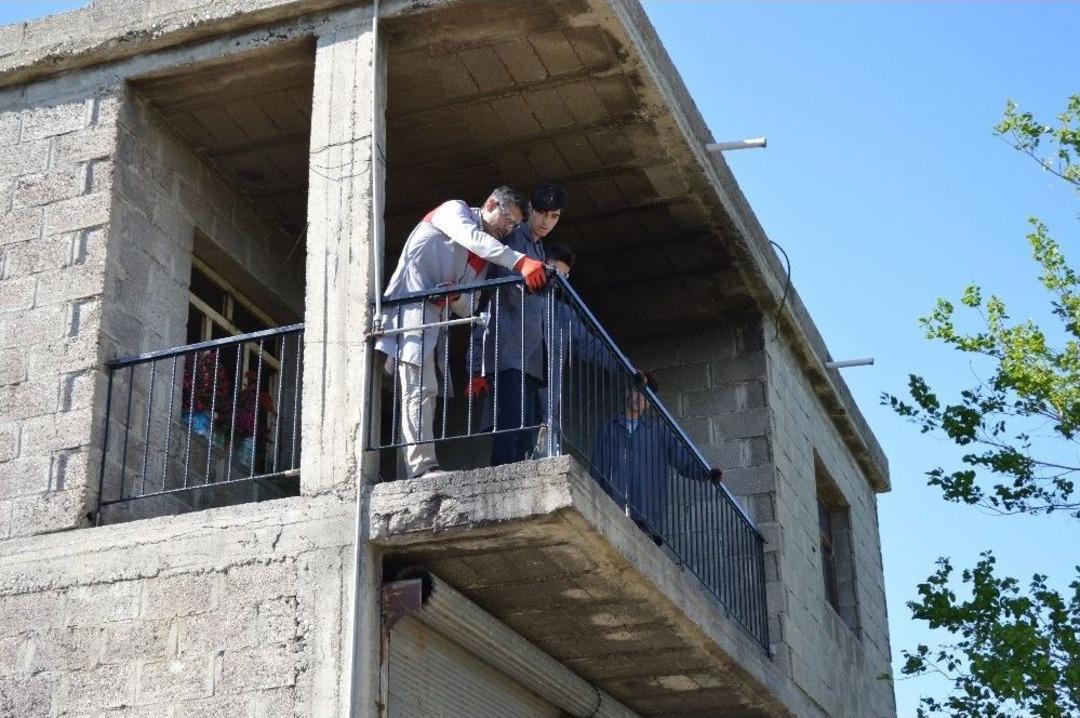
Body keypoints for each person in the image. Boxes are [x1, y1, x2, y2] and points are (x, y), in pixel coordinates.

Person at [375, 187, 547, 480]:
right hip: (409, 310)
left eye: (515, 226)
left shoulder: (484, 255)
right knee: (420, 389)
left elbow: (471, 306)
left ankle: (414, 471)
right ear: (491, 203)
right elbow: (473, 239)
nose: (508, 229)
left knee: (424, 390)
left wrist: (454, 299)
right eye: (507, 219)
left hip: (432, 319)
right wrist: (520, 261)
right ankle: (420, 468)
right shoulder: (456, 211)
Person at [467, 183, 568, 466]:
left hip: (532, 351)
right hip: (509, 348)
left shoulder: (538, 247)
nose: (547, 222)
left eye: (554, 217)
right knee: (509, 427)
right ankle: (500, 479)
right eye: (543, 214)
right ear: (532, 211)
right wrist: (475, 364)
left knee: (526, 431)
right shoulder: (513, 239)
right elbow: (500, 285)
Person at [590, 372, 723, 542]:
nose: (640, 398)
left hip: (646, 516)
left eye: (646, 396)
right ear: (627, 393)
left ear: (648, 403)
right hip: (613, 510)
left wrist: (707, 473)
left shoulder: (658, 433)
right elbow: (596, 469)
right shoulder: (608, 430)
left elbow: (683, 460)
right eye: (638, 391)